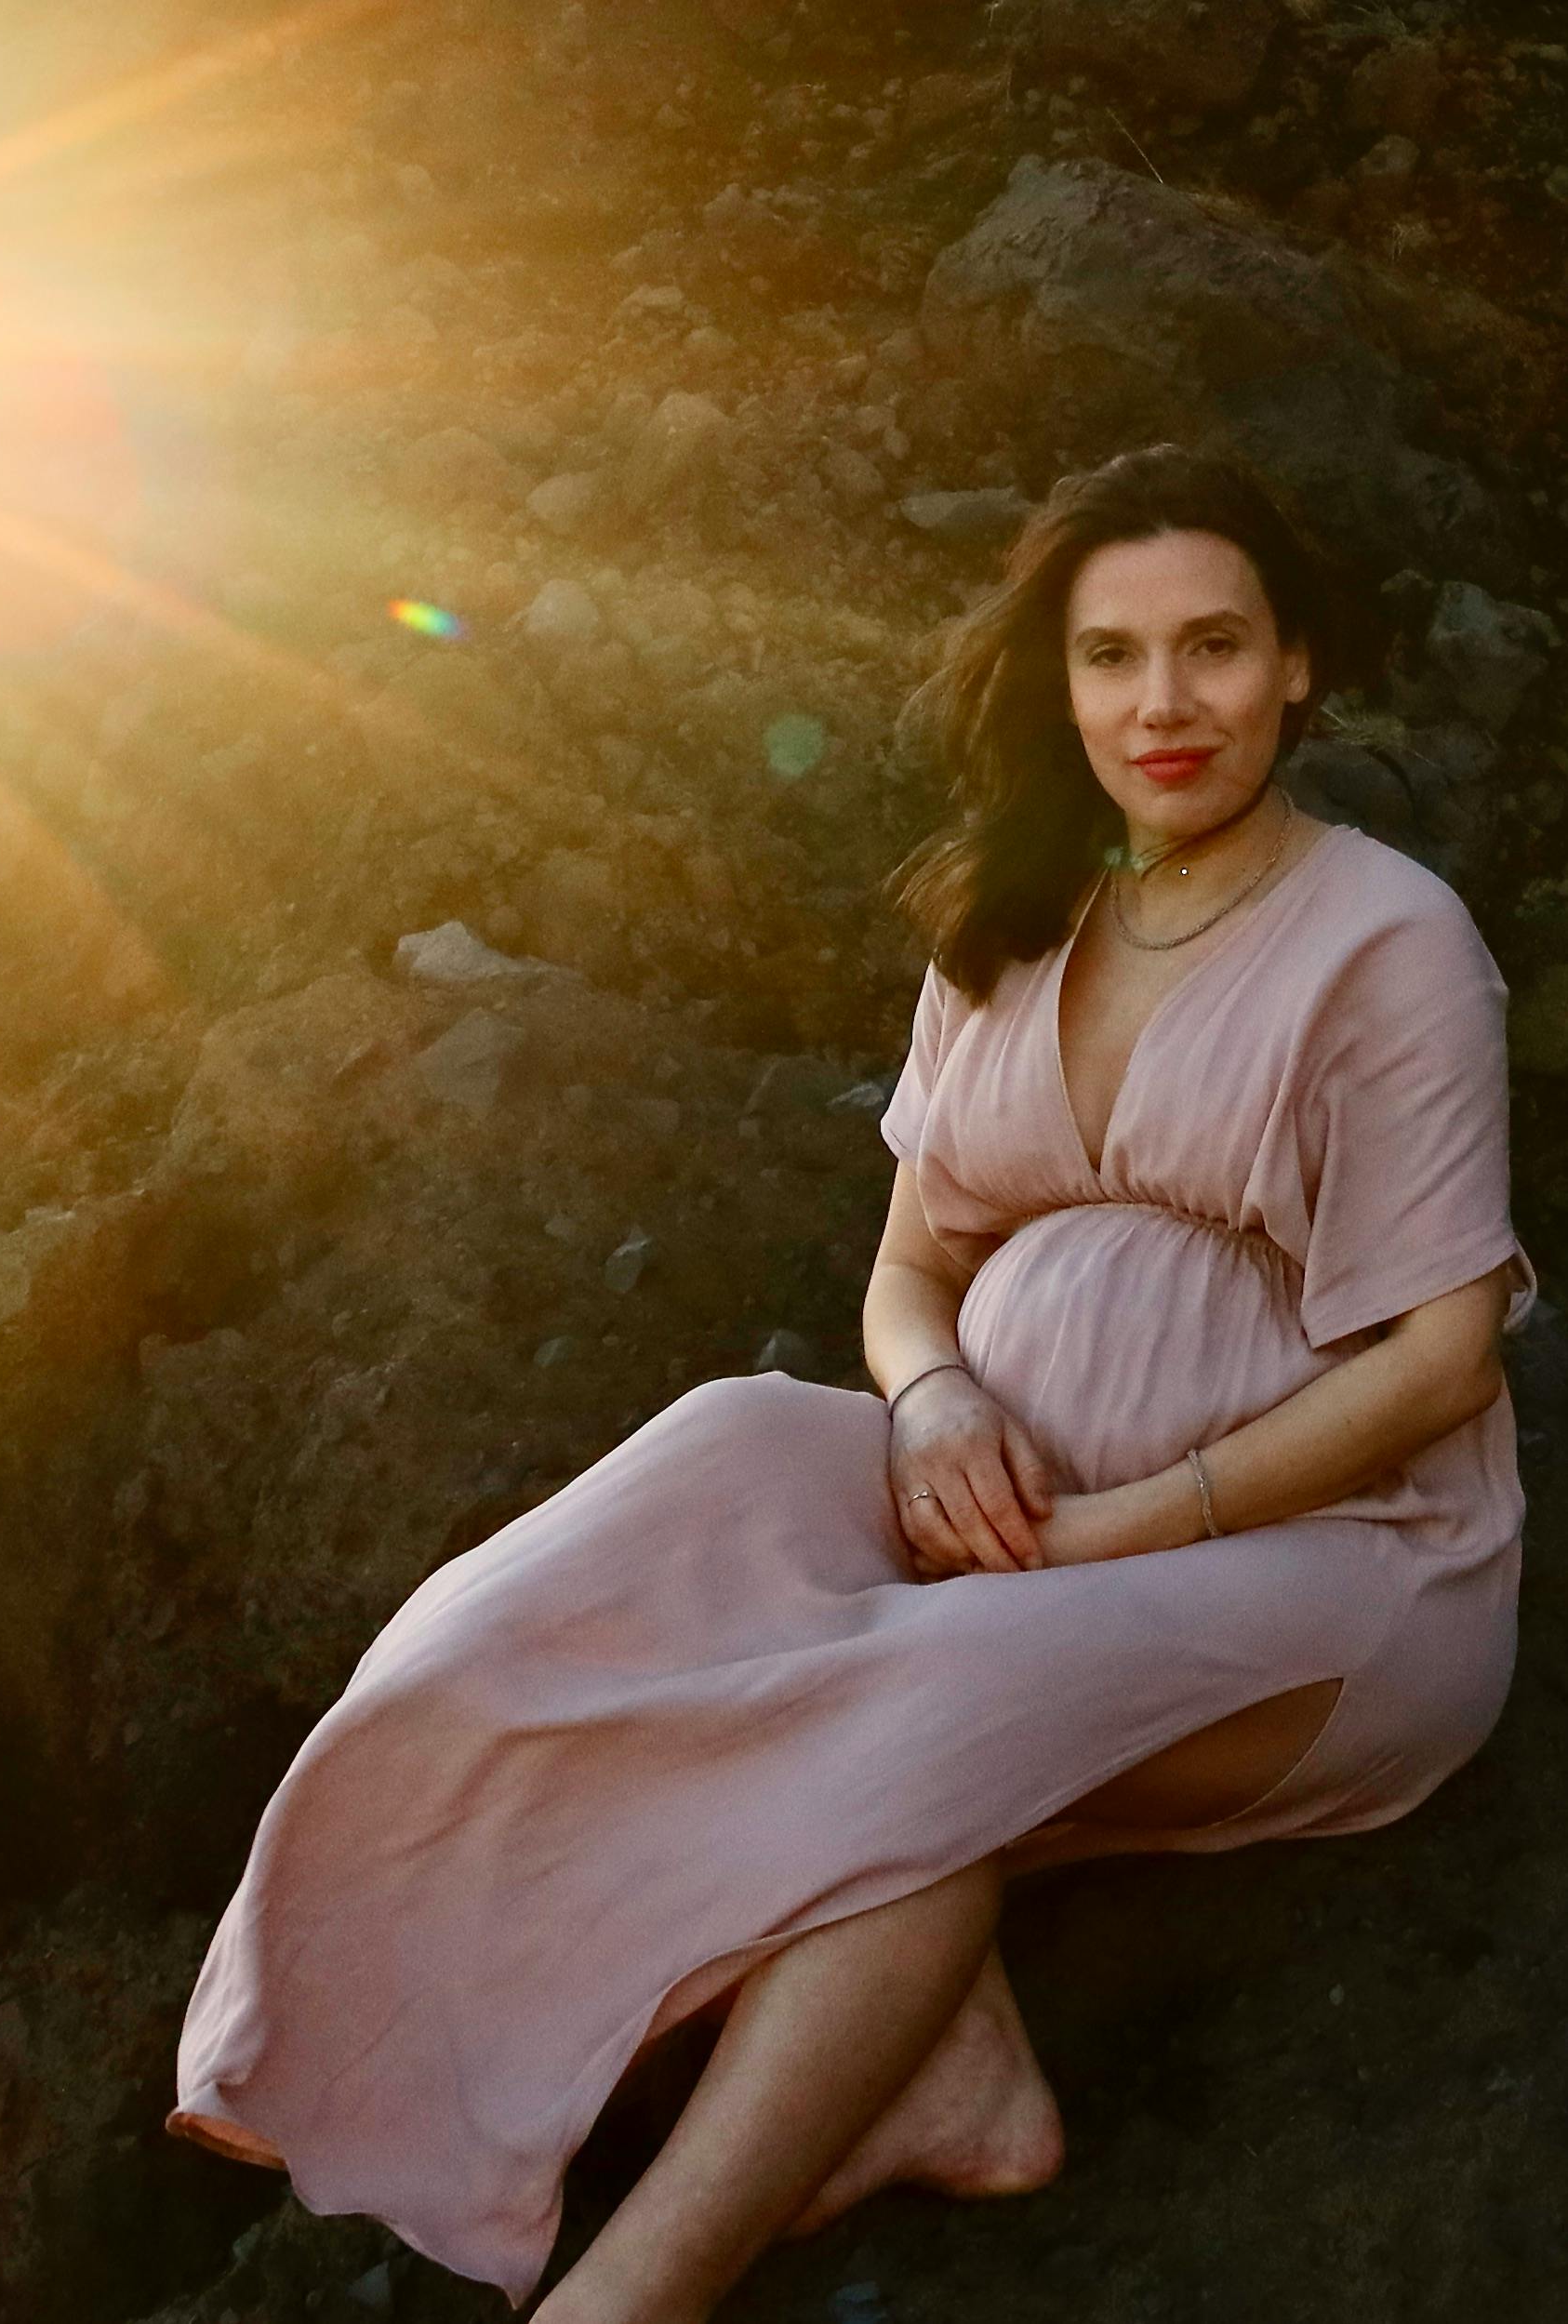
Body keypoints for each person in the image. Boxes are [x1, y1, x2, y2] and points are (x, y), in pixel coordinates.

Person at [166, 444, 1534, 2322]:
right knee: (660, 1496)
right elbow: (911, 1272)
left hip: (1337, 1565)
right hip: (1006, 1505)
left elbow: (1442, 1354)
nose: (1164, 701)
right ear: (1058, 684)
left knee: (910, 1714)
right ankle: (909, 2065)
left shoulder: (1390, 943)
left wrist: (1124, 1530)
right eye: (1113, 654)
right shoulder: (1014, 916)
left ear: (1297, 664)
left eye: (1214, 646)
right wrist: (935, 1404)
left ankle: (631, 2292)